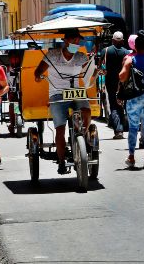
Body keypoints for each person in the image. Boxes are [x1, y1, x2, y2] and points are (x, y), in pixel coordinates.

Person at [33, 29, 93, 175]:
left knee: (87, 111)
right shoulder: (52, 55)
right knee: (60, 129)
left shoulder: (81, 56)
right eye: (73, 40)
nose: (76, 43)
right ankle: (61, 162)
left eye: (78, 41)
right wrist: (38, 76)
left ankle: (82, 136)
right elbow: (37, 72)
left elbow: (90, 71)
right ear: (65, 40)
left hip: (76, 92)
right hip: (57, 93)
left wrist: (97, 70)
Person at [119, 31, 144, 169]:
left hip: (134, 96)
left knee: (133, 127)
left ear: (135, 46)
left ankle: (131, 157)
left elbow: (121, 76)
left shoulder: (131, 59)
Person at [104, 31, 131, 139]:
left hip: (110, 83)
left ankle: (118, 130)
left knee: (114, 105)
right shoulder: (127, 52)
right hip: (124, 82)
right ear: (123, 41)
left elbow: (100, 66)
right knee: (123, 105)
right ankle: (125, 126)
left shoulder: (106, 51)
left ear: (112, 40)